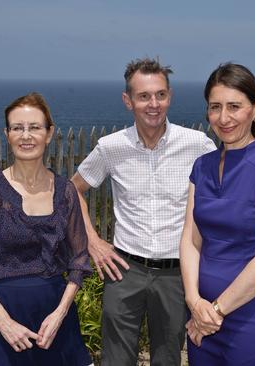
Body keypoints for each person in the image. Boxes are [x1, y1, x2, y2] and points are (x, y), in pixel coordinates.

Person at [71, 57, 217, 366]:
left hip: (178, 274)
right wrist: (93, 242)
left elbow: (222, 195)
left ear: (170, 96)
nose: (154, 104)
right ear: (128, 101)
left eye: (160, 94)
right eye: (144, 96)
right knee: (116, 359)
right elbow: (72, 190)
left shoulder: (198, 145)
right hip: (124, 270)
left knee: (168, 358)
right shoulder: (111, 147)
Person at [0, 92, 93, 365]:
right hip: (0, 319)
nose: (26, 135)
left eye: (34, 127)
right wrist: (4, 322)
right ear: (7, 134)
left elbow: (79, 258)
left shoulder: (65, 191)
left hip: (54, 319)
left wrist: (60, 313)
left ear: (49, 133)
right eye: (17, 128)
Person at [180, 63, 255, 365]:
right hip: (202, 314)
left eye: (235, 106)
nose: (223, 117)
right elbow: (191, 242)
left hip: (251, 316)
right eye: (215, 107)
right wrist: (194, 302)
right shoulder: (201, 167)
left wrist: (215, 312)